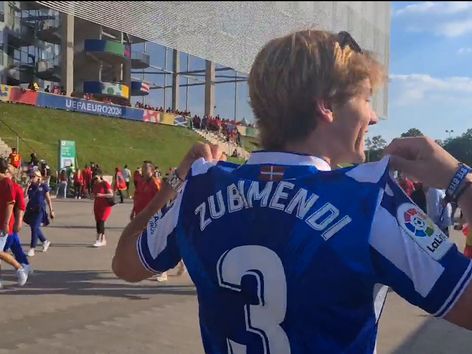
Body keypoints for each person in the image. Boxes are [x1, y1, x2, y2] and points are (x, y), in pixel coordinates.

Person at [113, 30, 472, 354]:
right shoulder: (369, 203)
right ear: (326, 105)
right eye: (366, 100)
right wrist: (461, 182)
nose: (374, 117)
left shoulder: (200, 189)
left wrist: (178, 179)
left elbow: (125, 264)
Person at [0, 159, 28, 287]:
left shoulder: (7, 183)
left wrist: (7, 223)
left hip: (3, 223)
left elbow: (11, 204)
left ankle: (19, 268)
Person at [25, 170, 54, 257]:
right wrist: (27, 187)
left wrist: (51, 210)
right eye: (31, 176)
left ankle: (32, 248)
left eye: (33, 176)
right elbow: (24, 196)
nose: (31, 178)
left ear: (38, 177)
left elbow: (48, 199)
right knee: (34, 227)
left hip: (40, 210)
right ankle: (45, 241)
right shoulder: (30, 186)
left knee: (34, 227)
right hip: (30, 210)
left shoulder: (43, 186)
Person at [92, 174, 113, 247]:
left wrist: (101, 195)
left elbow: (111, 194)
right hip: (97, 206)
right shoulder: (95, 185)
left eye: (96, 178)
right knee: (98, 222)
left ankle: (98, 240)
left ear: (100, 177)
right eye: (94, 179)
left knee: (101, 222)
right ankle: (103, 240)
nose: (95, 180)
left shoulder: (105, 183)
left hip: (105, 206)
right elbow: (94, 195)